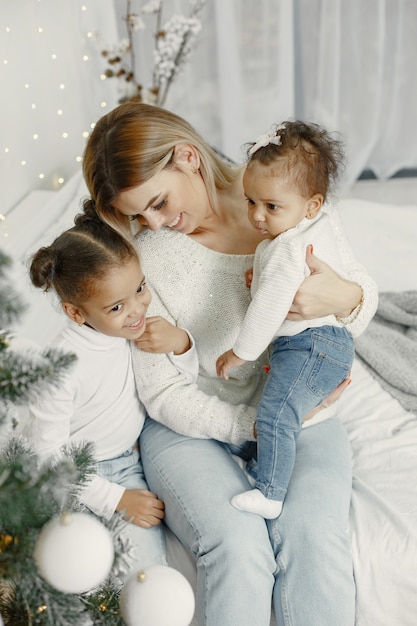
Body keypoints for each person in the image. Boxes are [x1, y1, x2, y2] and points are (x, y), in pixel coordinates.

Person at [82, 101, 378, 626]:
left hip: (305, 418)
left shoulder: (280, 195)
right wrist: (264, 426)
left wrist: (348, 296)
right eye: (138, 215)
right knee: (238, 549)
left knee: (315, 537)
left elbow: (357, 299)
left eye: (158, 202)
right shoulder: (145, 258)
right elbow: (163, 394)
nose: (154, 223)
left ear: (188, 158)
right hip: (189, 428)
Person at [28, 204, 198, 585]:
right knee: (75, 571)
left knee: (147, 575)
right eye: (118, 306)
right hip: (78, 478)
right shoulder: (61, 365)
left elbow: (178, 381)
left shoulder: (132, 331)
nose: (137, 310)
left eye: (139, 288)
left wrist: (182, 344)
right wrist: (115, 499)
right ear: (75, 314)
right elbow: (47, 457)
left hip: (127, 462)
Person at [216, 121, 359, 520]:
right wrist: (260, 279)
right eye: (250, 201)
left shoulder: (284, 248)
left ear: (311, 205)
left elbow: (267, 309)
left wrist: (238, 354)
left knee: (277, 412)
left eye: (272, 206)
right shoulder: (318, 223)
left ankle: (270, 492)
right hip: (327, 344)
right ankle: (261, 460)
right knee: (278, 409)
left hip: (308, 345)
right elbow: (283, 284)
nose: (257, 216)